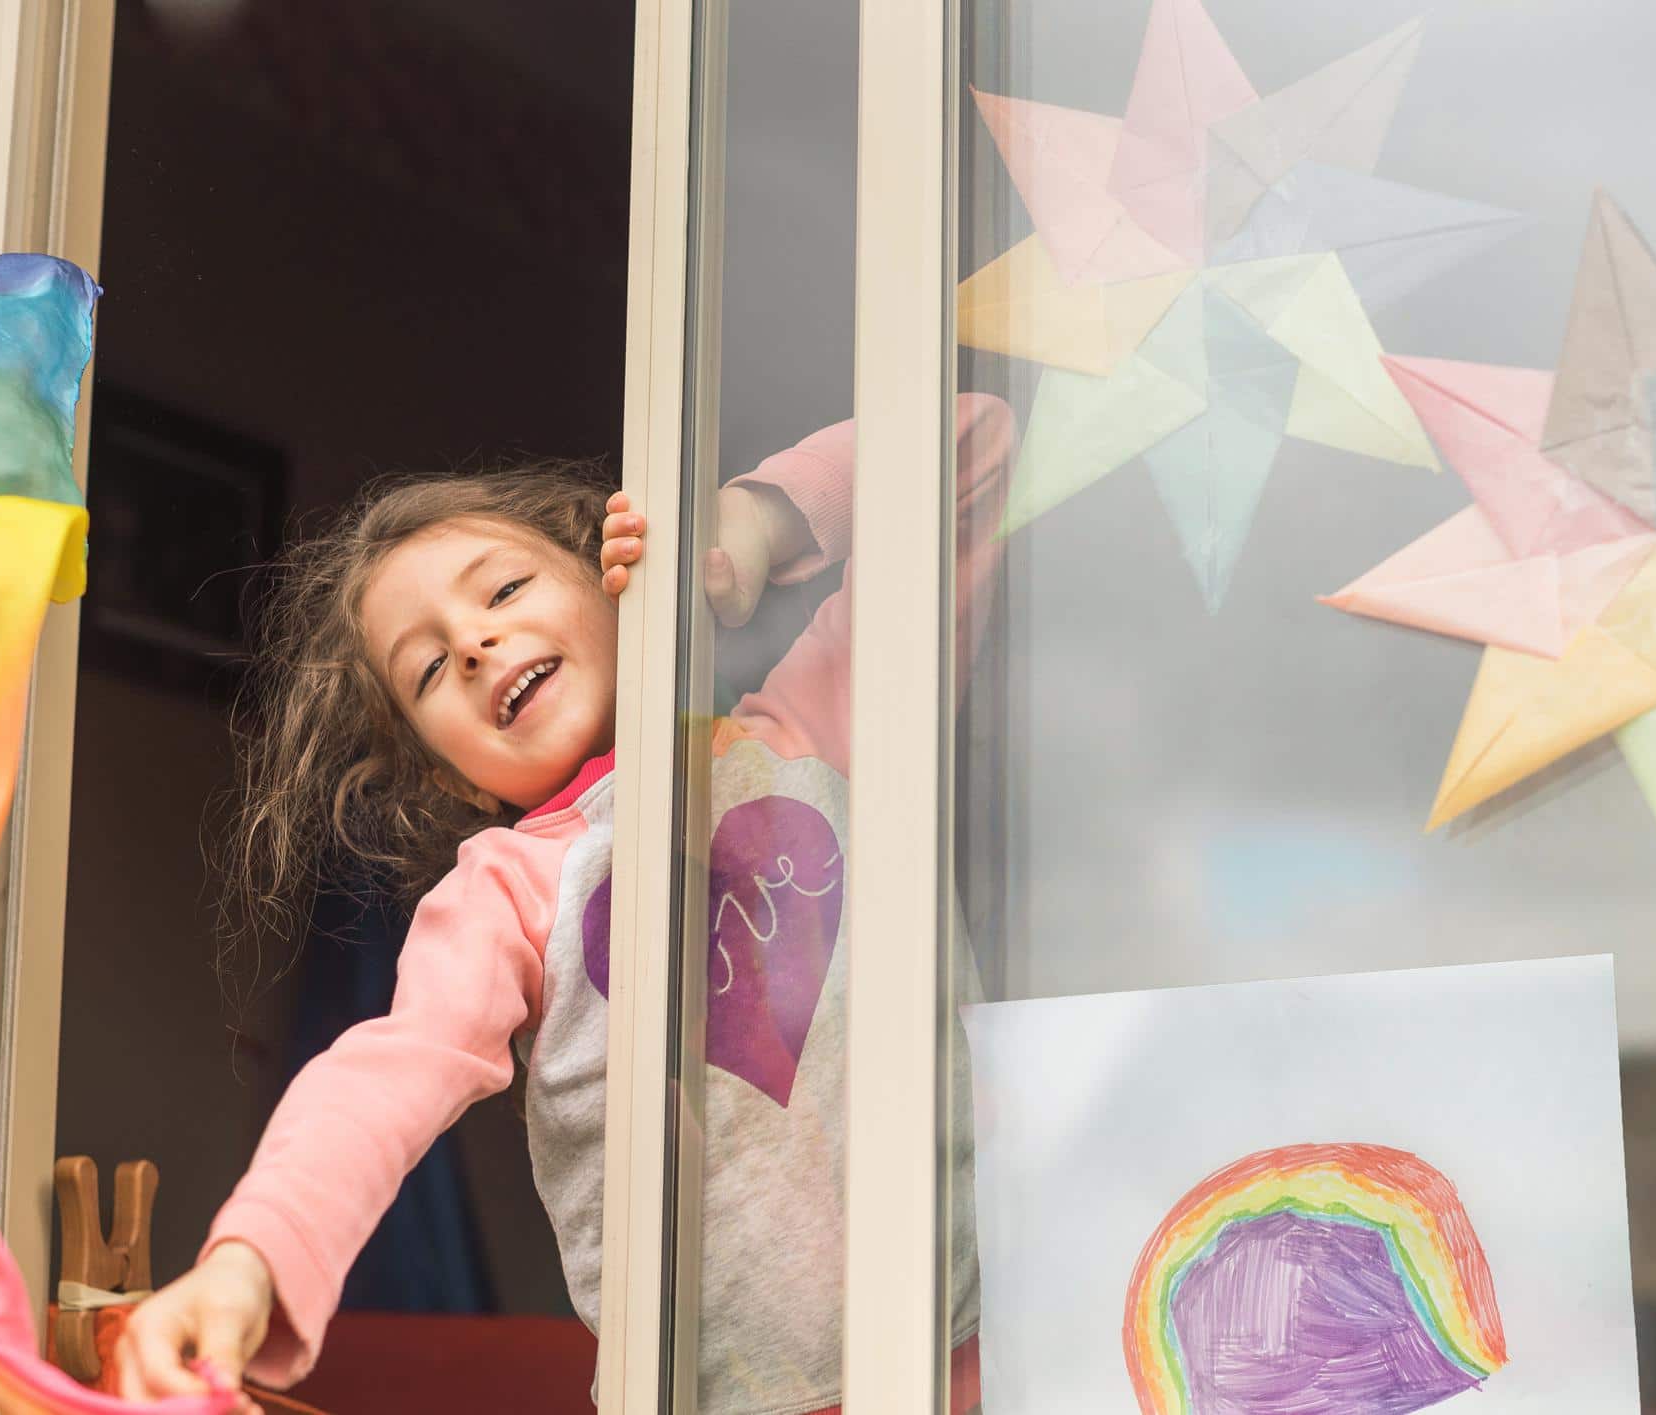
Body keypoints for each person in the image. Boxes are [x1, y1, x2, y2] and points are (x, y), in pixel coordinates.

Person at [115, 396, 1012, 1414]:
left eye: (502, 587)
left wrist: (751, 524)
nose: (473, 642)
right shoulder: (506, 891)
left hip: (992, 1346)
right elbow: (378, 1080)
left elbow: (972, 443)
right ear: (453, 778)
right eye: (426, 666)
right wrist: (248, 1260)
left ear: (612, 576)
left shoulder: (812, 731)